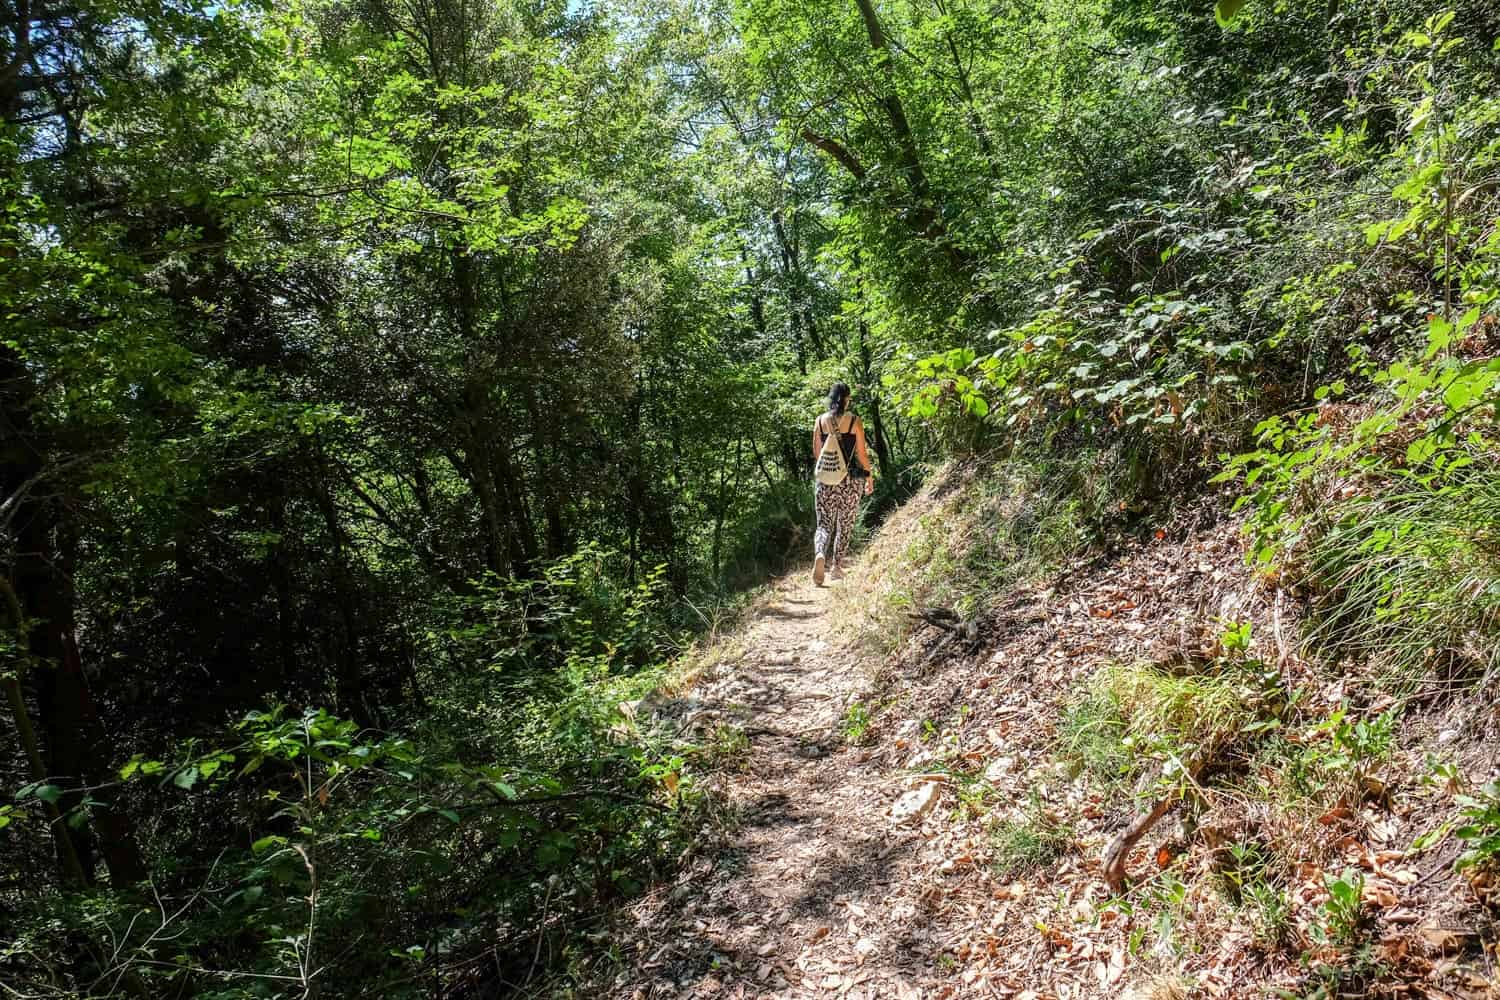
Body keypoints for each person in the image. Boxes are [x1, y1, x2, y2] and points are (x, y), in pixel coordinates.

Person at [811, 382, 875, 586]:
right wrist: (869, 476)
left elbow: (817, 454)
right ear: (846, 399)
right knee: (844, 524)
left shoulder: (820, 421)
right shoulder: (854, 421)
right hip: (850, 481)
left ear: (831, 398)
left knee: (823, 524)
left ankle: (820, 553)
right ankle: (836, 567)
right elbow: (862, 454)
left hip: (826, 481)